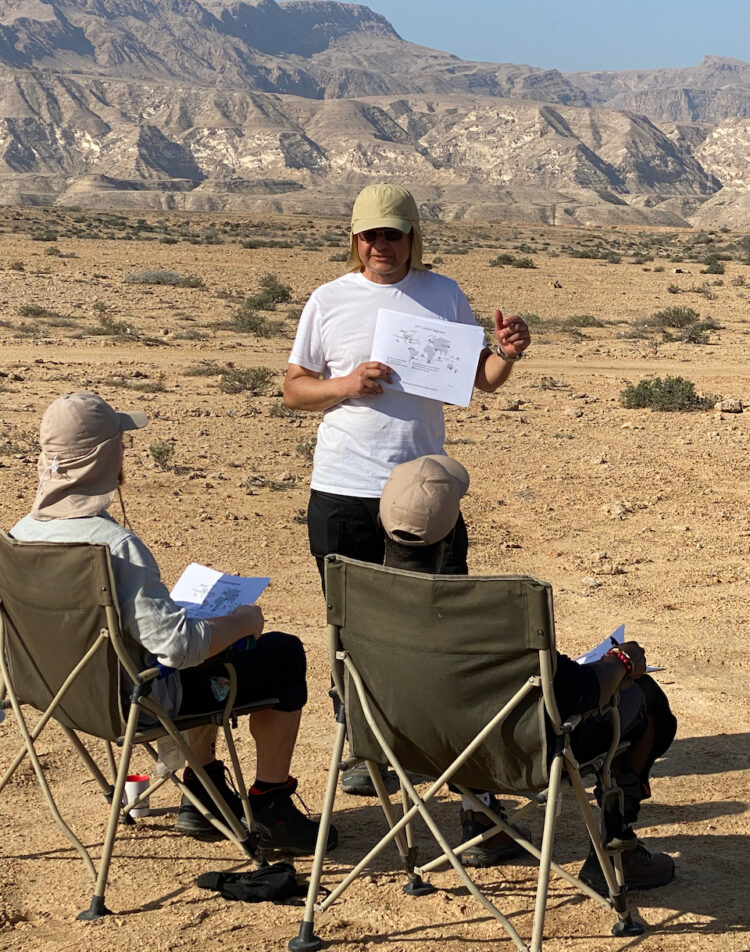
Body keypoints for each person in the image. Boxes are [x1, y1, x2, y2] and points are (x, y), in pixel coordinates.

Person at [10, 392, 336, 855]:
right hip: (135, 703)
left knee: (204, 650)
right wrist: (243, 621)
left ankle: (203, 790)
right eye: (120, 443)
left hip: (60, 696)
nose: (125, 451)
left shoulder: (19, 535)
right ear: (104, 456)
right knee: (280, 653)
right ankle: (271, 802)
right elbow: (179, 648)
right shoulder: (113, 546)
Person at [378, 454, 677, 892]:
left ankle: (483, 821)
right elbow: (578, 692)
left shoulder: (358, 605)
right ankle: (616, 852)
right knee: (646, 699)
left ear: (382, 525)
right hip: (514, 756)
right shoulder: (491, 611)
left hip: (407, 745)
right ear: (452, 538)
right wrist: (621, 663)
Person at [284, 182, 531, 591]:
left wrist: (506, 354)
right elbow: (294, 390)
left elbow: (482, 378)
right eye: (370, 234)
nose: (380, 245)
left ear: (412, 236)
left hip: (424, 486)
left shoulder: (443, 293)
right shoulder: (328, 300)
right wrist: (347, 384)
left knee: (438, 612)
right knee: (351, 617)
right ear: (355, 239)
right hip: (344, 487)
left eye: (392, 234)